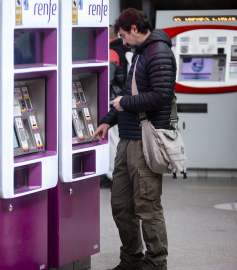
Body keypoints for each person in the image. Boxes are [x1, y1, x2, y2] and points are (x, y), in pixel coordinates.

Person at [92, 8, 176, 270]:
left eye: (124, 35)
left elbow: (162, 95)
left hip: (144, 141)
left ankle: (155, 263)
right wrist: (108, 119)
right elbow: (128, 94)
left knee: (147, 206)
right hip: (127, 139)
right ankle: (131, 259)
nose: (123, 41)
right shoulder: (140, 53)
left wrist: (124, 103)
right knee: (121, 204)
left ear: (135, 29)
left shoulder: (158, 52)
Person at [100, 25, 131, 188]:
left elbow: (107, 79)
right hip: (127, 99)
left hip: (113, 100)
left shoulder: (112, 50)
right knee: (120, 139)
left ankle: (112, 176)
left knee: (113, 139)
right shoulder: (126, 47)